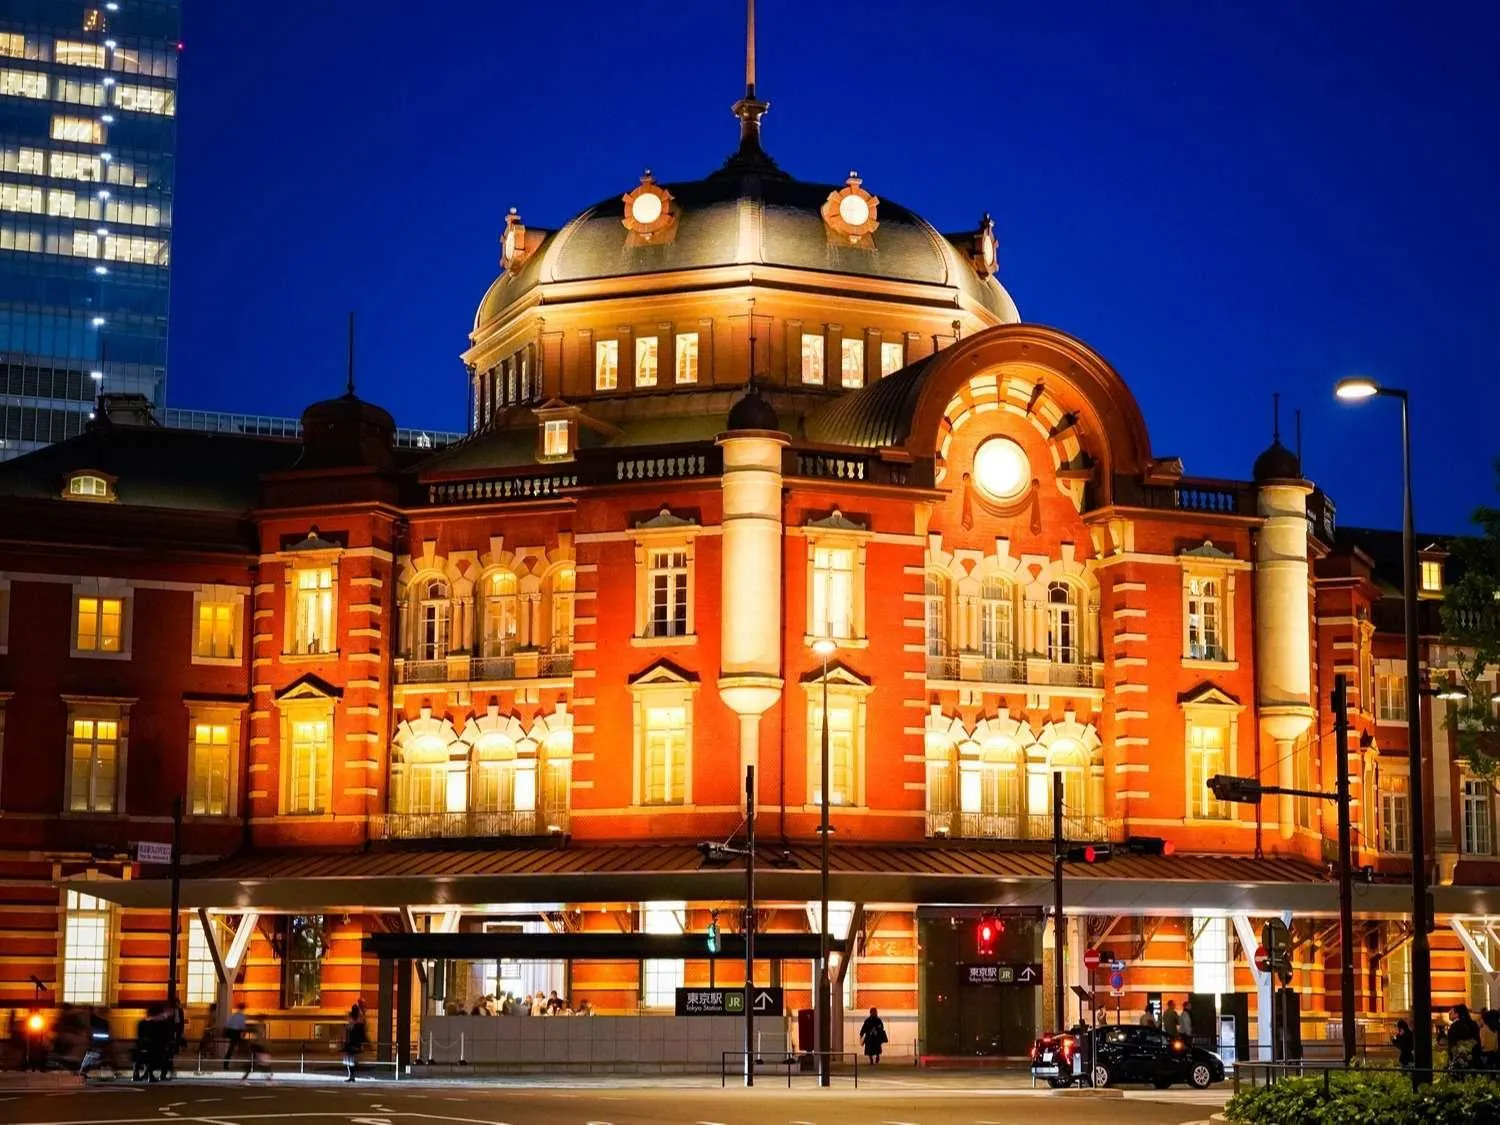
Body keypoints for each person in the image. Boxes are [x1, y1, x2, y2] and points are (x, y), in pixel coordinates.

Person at [341, 1002, 367, 1083]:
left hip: (351, 1043)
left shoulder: (354, 1021)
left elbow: (350, 1030)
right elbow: (362, 1034)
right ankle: (351, 1076)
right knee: (352, 1061)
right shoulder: (359, 1021)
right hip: (354, 1043)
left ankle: (351, 1076)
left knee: (350, 1061)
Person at [222, 1002, 248, 1069]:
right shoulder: (242, 1016)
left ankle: (226, 1064)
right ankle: (248, 1063)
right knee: (241, 1047)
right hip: (236, 1033)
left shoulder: (233, 1015)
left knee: (231, 1049)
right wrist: (244, 1033)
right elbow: (243, 1027)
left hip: (231, 1032)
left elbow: (227, 1024)